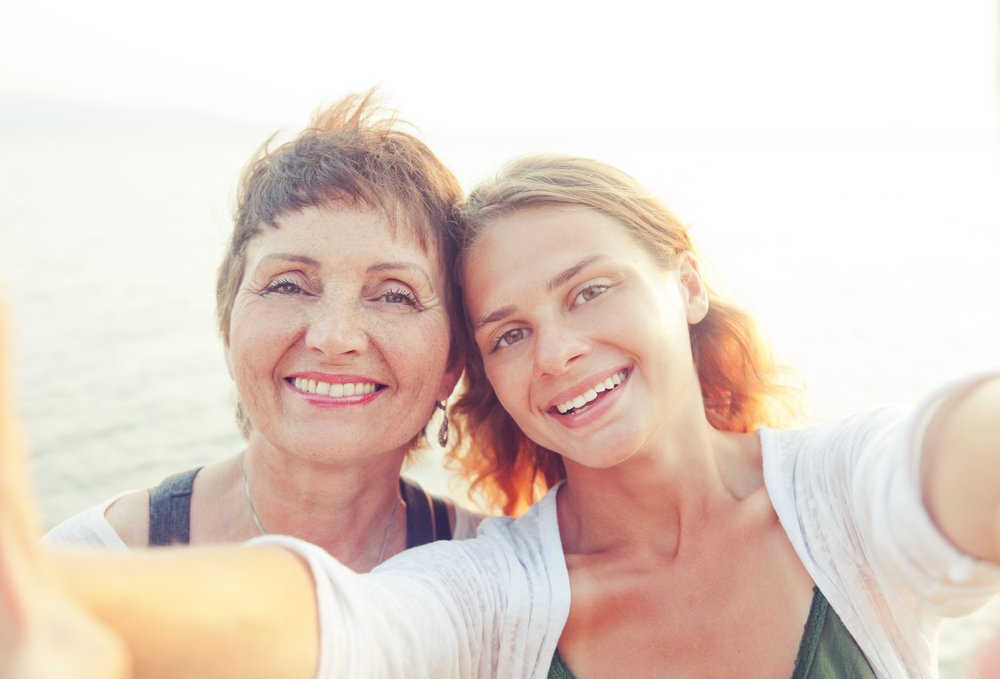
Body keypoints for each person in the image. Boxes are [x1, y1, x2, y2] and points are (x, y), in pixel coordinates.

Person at [2, 154, 999, 679]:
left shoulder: (843, 497)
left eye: (590, 289)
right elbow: (339, 619)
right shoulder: (497, 592)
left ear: (684, 280)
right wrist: (51, 604)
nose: (558, 349)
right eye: (509, 333)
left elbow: (959, 449)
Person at [42, 91, 482, 570]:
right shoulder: (80, 568)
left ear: (452, 363)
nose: (334, 337)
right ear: (228, 325)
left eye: (395, 294)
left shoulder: (495, 575)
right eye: (288, 285)